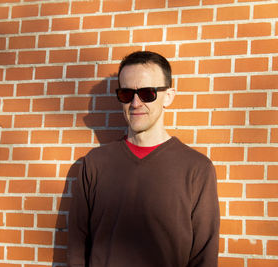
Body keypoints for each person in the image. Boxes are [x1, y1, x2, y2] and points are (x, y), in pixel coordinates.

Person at [68, 51, 220, 267]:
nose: (136, 103)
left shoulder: (196, 169)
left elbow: (204, 255)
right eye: (126, 94)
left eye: (147, 93)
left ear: (168, 96)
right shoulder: (95, 163)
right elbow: (76, 244)